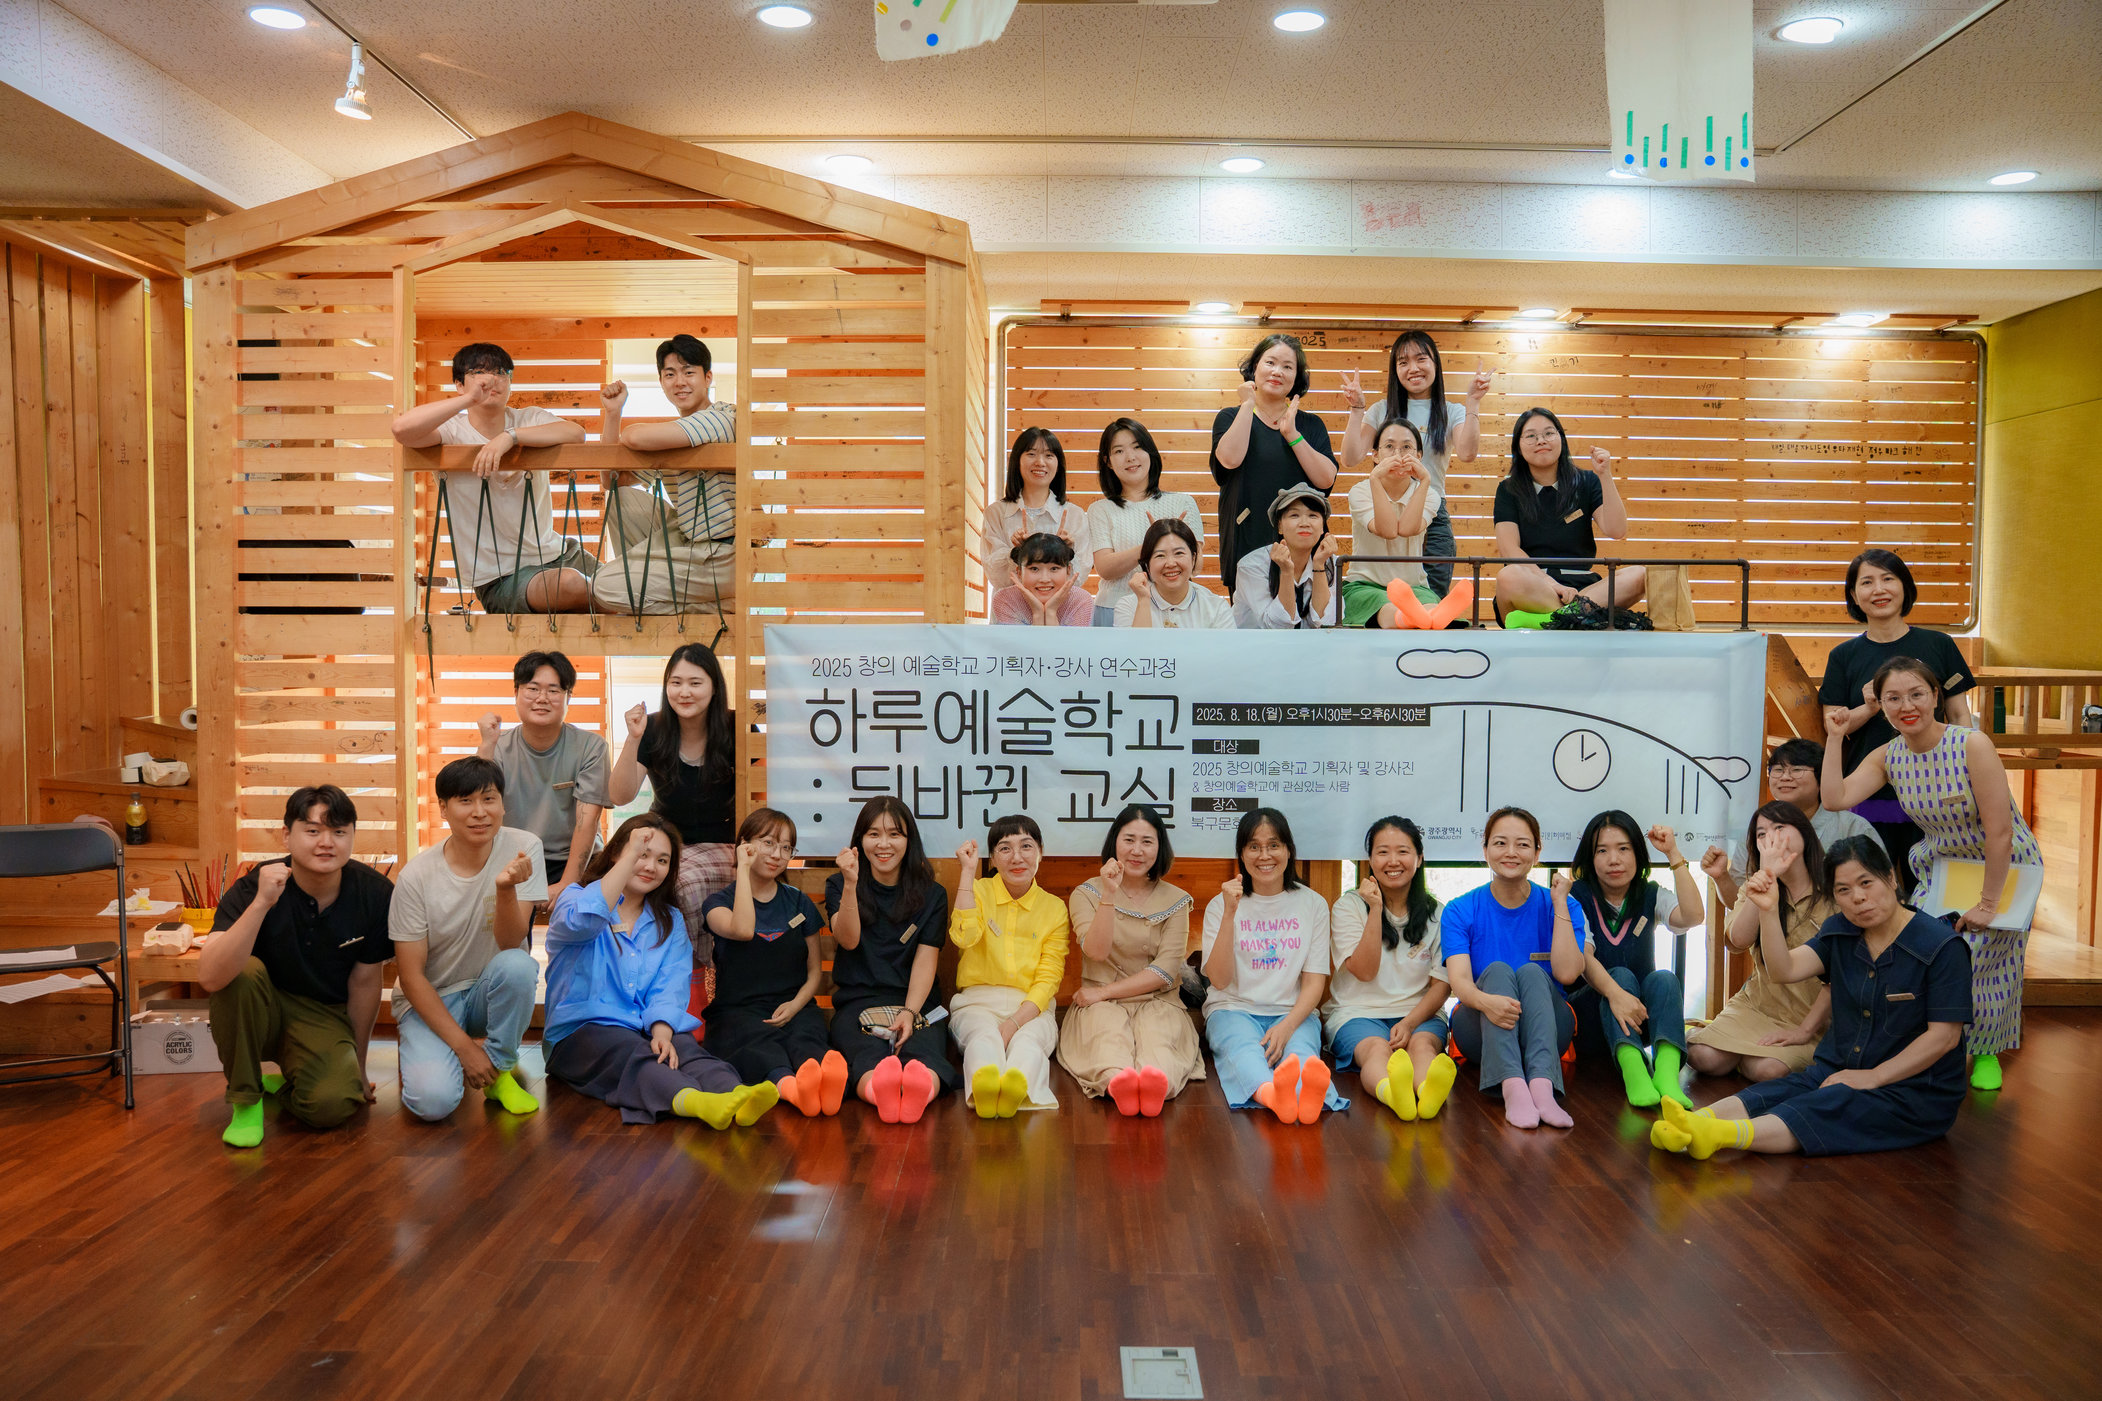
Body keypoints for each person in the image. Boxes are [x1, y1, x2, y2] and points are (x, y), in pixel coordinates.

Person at [1651, 836, 1970, 1159]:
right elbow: (1783, 969)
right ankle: (1694, 1121)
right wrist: (1768, 911)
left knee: (1826, 1105)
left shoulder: (1942, 946)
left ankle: (1718, 1136)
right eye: (1843, 890)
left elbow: (1944, 1037)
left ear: (1890, 877)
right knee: (1778, 1090)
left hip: (1913, 1092)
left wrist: (1873, 1077)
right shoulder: (1840, 931)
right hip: (1838, 1069)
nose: (1858, 897)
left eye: (1866, 883)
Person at [1824, 656, 2040, 1091]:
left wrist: (1988, 904)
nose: (1907, 706)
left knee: (1983, 961)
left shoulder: (1972, 744)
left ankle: (1985, 1052)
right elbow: (1835, 798)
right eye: (1893, 698)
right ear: (1881, 705)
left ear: (1936, 696)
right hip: (1941, 867)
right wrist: (1835, 737)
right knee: (1917, 950)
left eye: (1917, 694)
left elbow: (1999, 832)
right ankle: (1924, 1052)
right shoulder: (1888, 756)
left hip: (2003, 865)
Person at [543, 814, 779, 1129]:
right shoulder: (574, 898)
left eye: (663, 860)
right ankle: (694, 1103)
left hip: (643, 1025)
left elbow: (670, 985)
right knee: (633, 1053)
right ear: (616, 854)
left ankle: (735, 1094)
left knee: (685, 1048)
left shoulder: (670, 919)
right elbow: (584, 923)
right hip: (580, 1033)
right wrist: (628, 857)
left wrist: (663, 1031)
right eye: (642, 854)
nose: (651, 867)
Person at [198, 786, 393, 1148]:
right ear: (287, 836)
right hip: (262, 1007)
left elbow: (366, 982)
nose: (326, 843)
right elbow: (210, 977)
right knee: (241, 972)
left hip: (322, 1016)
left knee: (333, 1105)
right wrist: (261, 903)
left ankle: (287, 1084)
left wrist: (359, 1067)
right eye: (313, 831)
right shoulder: (253, 887)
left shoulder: (375, 893)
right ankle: (246, 1100)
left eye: (339, 832)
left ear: (352, 836)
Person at [387, 756, 545, 1122]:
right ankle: (429, 1049)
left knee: (519, 965)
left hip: (486, 992)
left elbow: (511, 942)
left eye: (489, 799)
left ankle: (500, 1071)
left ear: (502, 804)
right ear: (443, 808)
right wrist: (465, 1050)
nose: (479, 812)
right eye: (465, 801)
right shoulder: (416, 877)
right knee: (433, 1104)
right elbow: (410, 977)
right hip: (432, 998)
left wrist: (505, 889)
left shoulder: (524, 848)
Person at [390, 342, 596, 614]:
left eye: (500, 372)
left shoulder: (528, 418)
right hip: (501, 578)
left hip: (561, 555)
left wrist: (510, 437)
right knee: (572, 585)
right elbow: (402, 429)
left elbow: (576, 434)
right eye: (478, 372)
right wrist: (469, 399)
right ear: (459, 384)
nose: (490, 379)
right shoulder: (451, 431)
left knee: (637, 588)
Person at [1817, 548, 1977, 888]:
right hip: (1870, 792)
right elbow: (1834, 724)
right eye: (1867, 582)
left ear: (1905, 587)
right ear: (1854, 596)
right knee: (1874, 885)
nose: (1879, 589)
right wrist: (1871, 706)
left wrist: (1963, 770)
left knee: (1940, 886)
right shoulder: (1843, 656)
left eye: (1888, 579)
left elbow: (1958, 713)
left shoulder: (1939, 644)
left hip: (1936, 787)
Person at [1441, 807, 1587, 1129]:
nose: (1511, 852)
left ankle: (1542, 1088)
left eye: (1522, 844)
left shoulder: (1563, 904)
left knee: (1532, 972)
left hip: (1548, 1030)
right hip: (1479, 1027)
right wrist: (1487, 1003)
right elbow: (1460, 983)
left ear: (1537, 853)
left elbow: (1567, 974)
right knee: (1497, 971)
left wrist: (1559, 905)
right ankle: (1513, 1087)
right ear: (1485, 850)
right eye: (1500, 843)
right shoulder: (1459, 910)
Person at [1200, 807, 1345, 1124]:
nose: (1264, 855)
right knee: (1244, 1052)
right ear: (1242, 854)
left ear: (1289, 850)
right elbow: (1220, 981)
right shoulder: (1219, 906)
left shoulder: (1313, 904)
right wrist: (1229, 914)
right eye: (1254, 846)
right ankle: (1275, 1097)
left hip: (1293, 1011)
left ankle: (1305, 1097)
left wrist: (1289, 1025)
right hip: (1232, 1009)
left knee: (1302, 1054)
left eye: (1273, 845)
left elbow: (1314, 982)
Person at [1058, 805, 1203, 1117]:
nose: (1137, 850)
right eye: (1129, 840)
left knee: (1159, 1047)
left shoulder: (1177, 900)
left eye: (1147, 841)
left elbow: (1165, 971)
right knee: (1107, 1047)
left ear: (1160, 847)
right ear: (1114, 843)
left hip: (1158, 999)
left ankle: (1153, 1089)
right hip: (1099, 1004)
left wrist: (1103, 992)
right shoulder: (1086, 893)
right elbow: (1096, 952)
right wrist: (1109, 894)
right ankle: (1120, 1086)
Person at [822, 797, 960, 1122]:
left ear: (909, 840)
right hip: (857, 1001)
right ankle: (878, 1091)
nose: (883, 844)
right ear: (860, 840)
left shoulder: (932, 895)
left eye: (894, 834)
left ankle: (919, 1091)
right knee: (865, 1054)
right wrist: (851, 884)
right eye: (873, 834)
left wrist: (909, 1013)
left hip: (916, 1003)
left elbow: (926, 960)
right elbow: (848, 939)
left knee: (924, 1053)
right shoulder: (839, 884)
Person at [701, 809, 844, 1118]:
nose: (778, 854)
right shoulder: (717, 903)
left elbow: (814, 972)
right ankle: (794, 1091)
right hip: (738, 1012)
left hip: (793, 1006)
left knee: (806, 1039)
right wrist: (742, 868)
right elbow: (742, 930)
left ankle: (823, 1083)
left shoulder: (799, 902)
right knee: (760, 1046)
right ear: (745, 844)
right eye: (768, 843)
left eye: (786, 847)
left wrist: (795, 1006)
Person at [1687, 802, 1838, 1083]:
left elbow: (1839, 977)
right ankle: (1732, 1048)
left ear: (1804, 833)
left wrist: (1804, 1030)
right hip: (1756, 1006)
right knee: (1702, 1056)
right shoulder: (1754, 884)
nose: (1771, 838)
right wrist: (1767, 879)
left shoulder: (1835, 890)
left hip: (1812, 1018)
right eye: (1761, 834)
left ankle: (1743, 1056)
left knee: (1768, 1070)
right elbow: (1738, 941)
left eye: (1780, 827)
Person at [608, 644, 737, 964]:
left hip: (721, 842)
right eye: (675, 682)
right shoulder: (652, 728)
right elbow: (620, 796)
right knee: (615, 878)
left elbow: (762, 797)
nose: (684, 692)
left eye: (695, 683)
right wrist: (633, 738)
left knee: (679, 886)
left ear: (714, 687)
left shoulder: (737, 728)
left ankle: (690, 973)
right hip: (665, 839)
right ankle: (630, 966)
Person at [1324, 817, 1458, 1123]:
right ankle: (1393, 1094)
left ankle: (1427, 1092)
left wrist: (1409, 1023)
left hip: (1419, 1013)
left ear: (1419, 858)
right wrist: (1374, 908)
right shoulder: (1348, 907)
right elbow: (1364, 971)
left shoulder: (1438, 913)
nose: (1393, 861)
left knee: (1422, 1047)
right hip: (1356, 1012)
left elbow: (1442, 985)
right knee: (1376, 1050)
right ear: (1370, 860)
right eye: (1383, 852)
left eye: (1403, 851)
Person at [594, 333, 739, 615]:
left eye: (689, 372)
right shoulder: (677, 435)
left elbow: (634, 437)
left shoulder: (723, 417)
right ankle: (704, 602)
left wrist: (630, 431)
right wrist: (613, 413)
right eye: (670, 374)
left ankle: (705, 603)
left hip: (724, 555)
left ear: (708, 378)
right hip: (691, 542)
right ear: (661, 382)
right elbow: (612, 480)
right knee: (621, 499)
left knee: (604, 587)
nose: (679, 382)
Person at [1566, 812, 1700, 1109]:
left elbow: (1692, 916)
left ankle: (1665, 1074)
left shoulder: (1649, 893)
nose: (1614, 860)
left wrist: (1673, 855)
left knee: (1665, 978)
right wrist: (1616, 995)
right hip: (1590, 1021)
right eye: (1602, 851)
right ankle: (1634, 1072)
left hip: (1639, 1020)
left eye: (1623, 849)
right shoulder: (1576, 896)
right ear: (1590, 857)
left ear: (1638, 853)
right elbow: (1583, 958)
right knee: (1620, 976)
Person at [1342, 331, 1491, 597]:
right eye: (1403, 362)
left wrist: (1473, 403)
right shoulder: (1381, 409)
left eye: (1421, 359)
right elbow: (1351, 458)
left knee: (1432, 598)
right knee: (1386, 595)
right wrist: (1356, 409)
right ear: (1395, 370)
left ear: (1435, 363)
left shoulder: (1451, 410)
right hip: (1385, 510)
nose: (1413, 368)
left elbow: (1467, 453)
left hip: (1431, 511)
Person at [949, 816, 1070, 1119]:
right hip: (976, 1001)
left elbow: (1049, 977)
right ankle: (987, 1090)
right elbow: (963, 937)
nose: (1017, 857)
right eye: (1005, 848)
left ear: (1040, 852)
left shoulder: (1054, 908)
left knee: (1029, 1042)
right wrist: (967, 873)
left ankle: (1017, 1090)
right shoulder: (977, 891)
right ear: (992, 858)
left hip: (1030, 1007)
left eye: (1026, 846)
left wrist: (1014, 1023)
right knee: (982, 1037)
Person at [475, 650, 608, 901]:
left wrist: (567, 884)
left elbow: (587, 821)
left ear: (568, 697)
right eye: (533, 689)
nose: (542, 698)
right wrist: (486, 746)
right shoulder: (497, 746)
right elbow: (477, 803)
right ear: (516, 693)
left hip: (574, 859)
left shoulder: (591, 747)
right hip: (516, 857)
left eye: (553, 690)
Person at [1489, 407, 1645, 621]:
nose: (1541, 441)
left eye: (1548, 433)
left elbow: (1616, 530)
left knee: (1639, 575)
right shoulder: (1508, 490)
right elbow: (1510, 550)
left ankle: (1559, 619)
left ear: (1561, 439)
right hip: (1536, 585)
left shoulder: (1587, 481)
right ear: (1518, 446)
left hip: (1585, 589)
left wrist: (1605, 475)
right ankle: (1578, 617)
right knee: (1508, 576)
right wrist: (1553, 586)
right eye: (1531, 436)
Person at [1208, 334, 1337, 591]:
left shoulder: (1310, 424)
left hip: (1303, 544)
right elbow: (1230, 460)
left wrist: (1292, 435)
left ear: (1296, 377)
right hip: (1247, 539)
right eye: (1270, 363)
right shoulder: (1230, 417)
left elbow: (1325, 479)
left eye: (1288, 366)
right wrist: (1248, 404)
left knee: (1309, 613)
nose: (1278, 371)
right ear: (1255, 367)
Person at [1698, 738, 1881, 910]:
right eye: (1778, 770)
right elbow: (1738, 905)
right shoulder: (1756, 831)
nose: (1785, 777)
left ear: (1821, 778)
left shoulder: (1853, 827)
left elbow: (1879, 887)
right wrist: (1721, 877)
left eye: (1796, 770)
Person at [1342, 418, 1474, 630]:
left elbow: (1406, 529)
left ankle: (1429, 615)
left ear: (1418, 456)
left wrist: (1425, 481)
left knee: (1427, 604)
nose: (1398, 455)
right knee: (1385, 607)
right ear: (1375, 455)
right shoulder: (1360, 491)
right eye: (1389, 446)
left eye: (1406, 447)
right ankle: (1420, 616)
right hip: (1365, 586)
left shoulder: (1430, 494)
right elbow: (1388, 531)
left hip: (1414, 587)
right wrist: (1375, 480)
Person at [1086, 418, 1204, 626]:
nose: (1130, 457)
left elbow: (1196, 565)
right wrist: (1152, 544)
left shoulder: (1183, 502)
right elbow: (1105, 568)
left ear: (1150, 452)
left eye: (1137, 447)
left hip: (1172, 610)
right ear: (1108, 461)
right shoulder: (1100, 510)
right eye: (1119, 451)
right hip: (1113, 609)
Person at [983, 427, 1092, 593]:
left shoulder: (1075, 515)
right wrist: (1015, 553)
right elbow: (995, 576)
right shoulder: (996, 513)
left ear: (1058, 464)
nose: (1040, 462)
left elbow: (1078, 578)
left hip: (1060, 608)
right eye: (1031, 454)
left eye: (1049, 455)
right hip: (1011, 607)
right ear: (1017, 460)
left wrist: (1066, 552)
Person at [1232, 485, 1338, 630]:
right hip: (1257, 643)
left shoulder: (1330, 562)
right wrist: (1287, 572)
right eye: (1294, 515)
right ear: (1280, 526)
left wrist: (1319, 565)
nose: (1304, 523)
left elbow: (1327, 623)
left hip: (1310, 643)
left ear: (1322, 528)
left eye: (1313, 515)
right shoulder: (1252, 566)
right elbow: (1277, 627)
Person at [1114, 519, 1235, 630]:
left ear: (1193, 559)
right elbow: (1136, 647)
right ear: (1147, 564)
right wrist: (1143, 600)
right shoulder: (1128, 606)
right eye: (1160, 555)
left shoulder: (1216, 608)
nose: (1170, 564)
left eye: (1179, 553)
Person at [990, 532, 1095, 626]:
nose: (1045, 579)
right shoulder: (1005, 599)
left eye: (1054, 568)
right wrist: (1037, 613)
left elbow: (1071, 643)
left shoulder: (1080, 601)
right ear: (1019, 572)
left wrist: (1051, 612)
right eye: (1034, 569)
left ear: (1068, 571)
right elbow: (1016, 643)